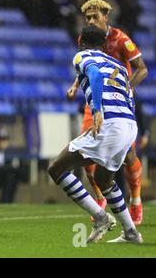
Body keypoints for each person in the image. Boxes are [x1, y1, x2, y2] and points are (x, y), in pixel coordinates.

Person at [49, 25, 142, 244]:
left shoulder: (82, 55)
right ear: (103, 44)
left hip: (109, 124)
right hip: (129, 124)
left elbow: (94, 74)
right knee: (103, 178)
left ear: (81, 40)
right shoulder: (118, 63)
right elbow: (129, 94)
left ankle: (101, 217)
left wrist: (98, 110)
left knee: (57, 168)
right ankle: (131, 233)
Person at [66, 0, 148, 225]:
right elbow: (87, 65)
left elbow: (142, 68)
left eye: (94, 17)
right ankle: (100, 199)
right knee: (86, 155)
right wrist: (75, 85)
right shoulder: (86, 38)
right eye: (88, 18)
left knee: (129, 157)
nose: (91, 21)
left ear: (106, 17)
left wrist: (127, 88)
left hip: (120, 103)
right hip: (94, 104)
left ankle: (136, 199)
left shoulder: (121, 39)